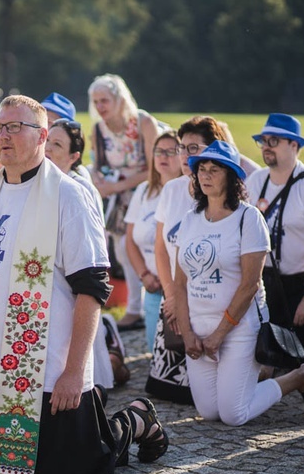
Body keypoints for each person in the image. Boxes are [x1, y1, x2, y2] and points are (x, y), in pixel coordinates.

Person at [0, 95, 168, 474]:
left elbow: (92, 287)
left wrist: (72, 371)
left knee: (65, 472)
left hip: (43, 368)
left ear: (42, 136)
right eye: (0, 127)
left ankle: (136, 420)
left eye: (16, 127)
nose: (5, 136)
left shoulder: (67, 195)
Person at [173, 141, 304, 426]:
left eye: (214, 170)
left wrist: (219, 335)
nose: (205, 176)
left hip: (239, 327)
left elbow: (250, 284)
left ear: (232, 177)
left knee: (233, 415)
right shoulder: (189, 220)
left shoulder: (248, 217)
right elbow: (179, 283)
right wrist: (187, 333)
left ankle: (299, 376)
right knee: (209, 412)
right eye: (201, 170)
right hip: (198, 326)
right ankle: (251, 378)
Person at [146, 116, 231, 405]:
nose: (184, 156)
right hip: (172, 302)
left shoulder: (224, 195)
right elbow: (160, 248)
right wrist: (171, 295)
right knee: (167, 393)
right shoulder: (171, 190)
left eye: (193, 148)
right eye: (182, 148)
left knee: (218, 397)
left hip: (211, 302)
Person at [246, 113, 304, 369]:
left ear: (294, 145)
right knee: (261, 356)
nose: (266, 146)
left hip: (299, 285)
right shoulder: (256, 181)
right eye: (263, 140)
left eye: (273, 140)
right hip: (262, 282)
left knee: (303, 360)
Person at [45, 117, 130, 388]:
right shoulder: (40, 183)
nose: (47, 148)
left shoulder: (79, 189)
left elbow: (95, 248)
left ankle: (105, 337)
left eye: (56, 144)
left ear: (74, 156)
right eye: (46, 140)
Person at [88, 73, 159, 332]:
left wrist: (117, 185)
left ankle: (151, 303)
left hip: (147, 192)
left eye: (105, 100)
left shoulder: (142, 123)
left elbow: (155, 168)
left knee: (148, 245)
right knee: (121, 250)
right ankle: (134, 308)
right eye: (95, 101)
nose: (100, 107)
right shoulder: (98, 129)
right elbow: (98, 164)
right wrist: (99, 180)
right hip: (117, 198)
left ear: (119, 99)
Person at [125, 131, 182, 352]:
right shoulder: (143, 191)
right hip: (152, 287)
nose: (163, 156)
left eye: (171, 151)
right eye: (159, 151)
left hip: (181, 290)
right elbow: (130, 241)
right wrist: (144, 275)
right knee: (154, 350)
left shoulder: (189, 192)